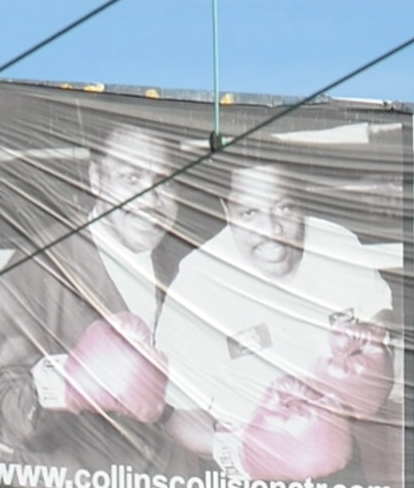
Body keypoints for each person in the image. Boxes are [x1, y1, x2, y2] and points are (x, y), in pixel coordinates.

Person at [156, 151, 396, 470]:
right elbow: (177, 417)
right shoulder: (198, 283)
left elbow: (380, 317)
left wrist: (375, 367)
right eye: (250, 212)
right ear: (227, 210)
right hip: (242, 472)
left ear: (301, 201)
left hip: (338, 460)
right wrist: (247, 453)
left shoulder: (337, 245)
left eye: (283, 207)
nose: (270, 228)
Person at [0, 116, 186, 470]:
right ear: (97, 179)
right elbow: (0, 408)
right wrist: (68, 383)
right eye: (131, 178)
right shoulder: (43, 264)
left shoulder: (192, 267)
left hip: (185, 487)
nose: (151, 198)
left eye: (165, 181)